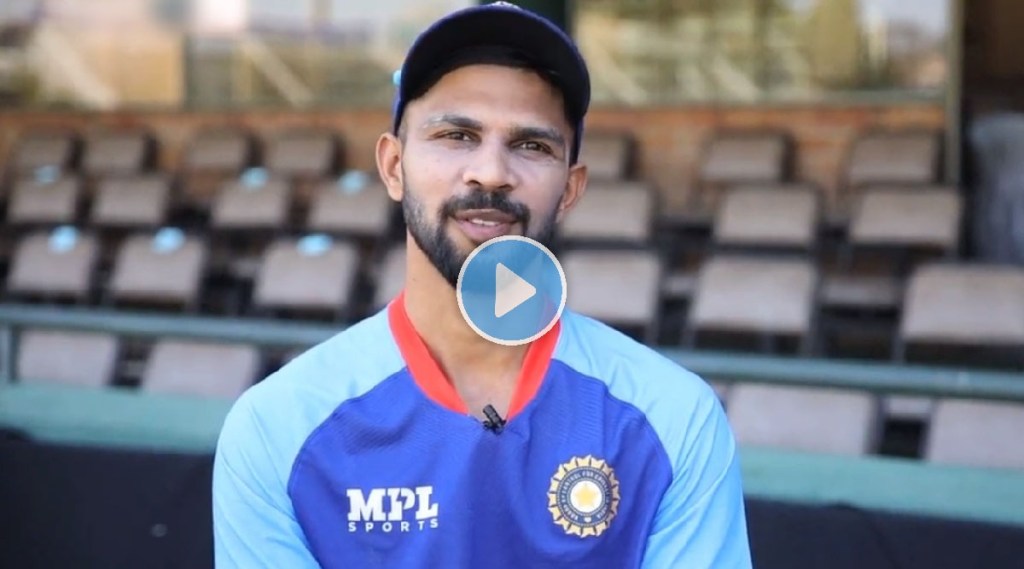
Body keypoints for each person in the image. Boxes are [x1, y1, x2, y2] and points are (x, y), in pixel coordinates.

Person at [212, 3, 752, 567]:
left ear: (570, 189)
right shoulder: (280, 426)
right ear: (393, 167)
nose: (491, 173)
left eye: (532, 146)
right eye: (457, 135)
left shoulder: (672, 417)